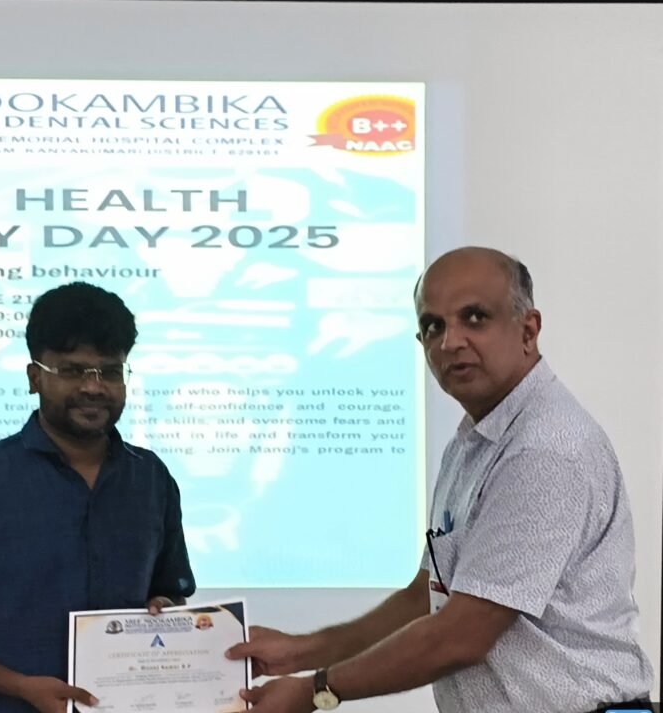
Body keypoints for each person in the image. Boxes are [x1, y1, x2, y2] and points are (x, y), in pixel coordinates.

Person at [226, 247, 654, 712]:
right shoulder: (475, 439)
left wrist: (316, 691)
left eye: (475, 317)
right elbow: (428, 598)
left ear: (528, 330)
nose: (450, 342)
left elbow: (461, 635)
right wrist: (300, 652)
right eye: (433, 326)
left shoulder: (543, 449)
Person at [0, 281, 196, 713]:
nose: (94, 387)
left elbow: (168, 593)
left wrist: (164, 610)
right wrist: (19, 686)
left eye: (110, 371)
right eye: (73, 370)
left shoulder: (151, 478)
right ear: (35, 378)